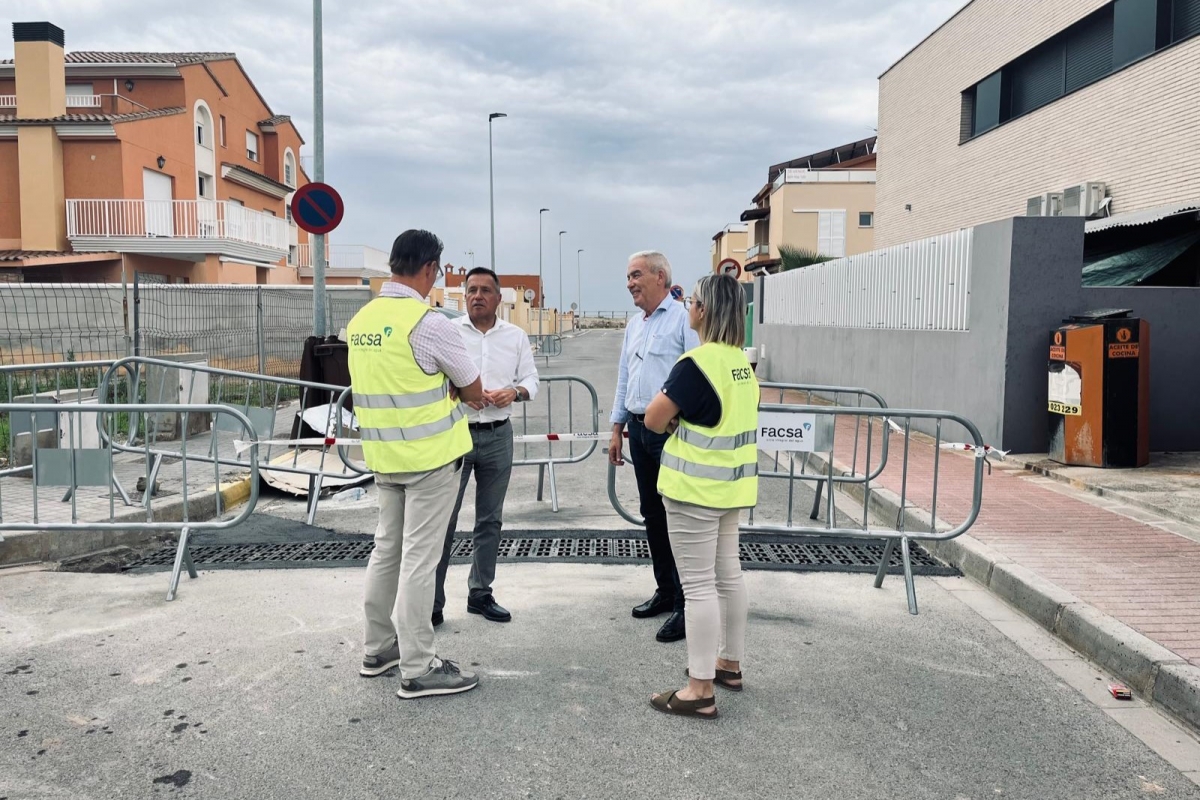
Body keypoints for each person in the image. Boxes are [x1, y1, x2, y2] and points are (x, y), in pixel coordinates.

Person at [348, 229, 485, 700]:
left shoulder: (362, 320)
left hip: (384, 457)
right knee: (420, 562)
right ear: (429, 269)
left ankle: (378, 647)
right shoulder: (429, 323)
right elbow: (472, 389)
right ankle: (419, 665)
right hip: (430, 460)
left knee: (386, 552)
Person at [644, 273, 758, 719]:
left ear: (704, 310)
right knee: (729, 577)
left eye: (691, 300)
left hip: (694, 492)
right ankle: (729, 663)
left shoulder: (697, 363)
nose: (687, 305)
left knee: (697, 588)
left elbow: (654, 418)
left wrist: (674, 424)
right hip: (731, 489)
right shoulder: (741, 366)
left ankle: (699, 688)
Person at [433, 267, 540, 626]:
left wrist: (515, 392)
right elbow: (433, 375)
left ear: (498, 298)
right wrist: (456, 389)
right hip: (456, 433)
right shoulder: (448, 332)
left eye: (484, 290)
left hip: (498, 434)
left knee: (490, 520)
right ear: (464, 296)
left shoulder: (515, 336)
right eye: (471, 290)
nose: (477, 296)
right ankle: (432, 602)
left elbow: (531, 380)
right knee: (442, 521)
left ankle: (480, 593)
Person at [608, 250, 700, 643]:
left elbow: (697, 371)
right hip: (637, 427)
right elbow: (624, 378)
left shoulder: (683, 319)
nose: (630, 283)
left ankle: (687, 605)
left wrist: (683, 416)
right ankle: (666, 590)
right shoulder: (633, 325)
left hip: (671, 433)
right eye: (628, 276)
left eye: (636, 275)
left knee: (678, 516)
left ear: (661, 276)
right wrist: (616, 428)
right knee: (651, 514)